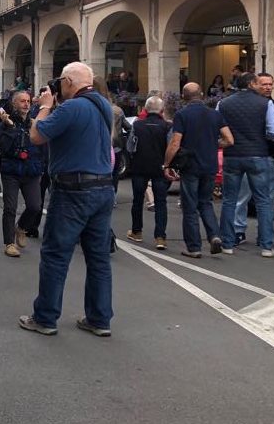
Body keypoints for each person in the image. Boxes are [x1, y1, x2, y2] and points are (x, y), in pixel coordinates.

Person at [17, 62, 115, 337]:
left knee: (56, 255)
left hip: (73, 190)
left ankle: (45, 317)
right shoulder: (103, 105)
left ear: (69, 82)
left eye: (60, 81)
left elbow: (36, 135)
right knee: (98, 258)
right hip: (102, 188)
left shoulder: (71, 108)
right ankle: (99, 318)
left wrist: (46, 106)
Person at [163, 83, 233, 258]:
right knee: (206, 202)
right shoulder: (215, 114)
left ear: (183, 96)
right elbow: (229, 139)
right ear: (201, 94)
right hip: (210, 165)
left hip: (190, 166)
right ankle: (214, 235)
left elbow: (175, 142)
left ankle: (194, 247)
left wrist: (167, 164)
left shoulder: (182, 115)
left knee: (190, 207)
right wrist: (214, 144)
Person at [217, 72, 274, 257]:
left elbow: (217, 127)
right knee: (263, 201)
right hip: (258, 154)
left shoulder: (223, 103)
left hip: (232, 154)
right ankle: (266, 246)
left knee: (229, 200)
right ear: (253, 83)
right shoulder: (265, 103)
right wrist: (261, 138)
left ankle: (227, 243)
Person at [233, 73, 274, 246]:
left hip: (269, 157)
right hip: (250, 155)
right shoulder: (247, 106)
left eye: (270, 84)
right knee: (242, 197)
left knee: (267, 200)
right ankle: (238, 231)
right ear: (254, 85)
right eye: (263, 84)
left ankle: (263, 235)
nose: (267, 87)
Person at [0, 90, 43, 257]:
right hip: (11, 170)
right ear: (14, 103)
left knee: (35, 206)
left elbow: (42, 144)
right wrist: (10, 127)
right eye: (22, 101)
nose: (26, 104)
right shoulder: (5, 123)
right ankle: (9, 243)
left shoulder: (33, 122)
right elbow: (4, 147)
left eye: (28, 101)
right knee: (10, 207)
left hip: (31, 170)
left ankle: (21, 227)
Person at [126, 96, 171, 250]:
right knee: (161, 202)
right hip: (159, 167)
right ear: (162, 110)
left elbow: (130, 146)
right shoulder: (167, 126)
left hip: (140, 166)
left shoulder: (137, 125)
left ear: (145, 109)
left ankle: (137, 231)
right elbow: (170, 146)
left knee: (137, 200)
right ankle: (160, 237)